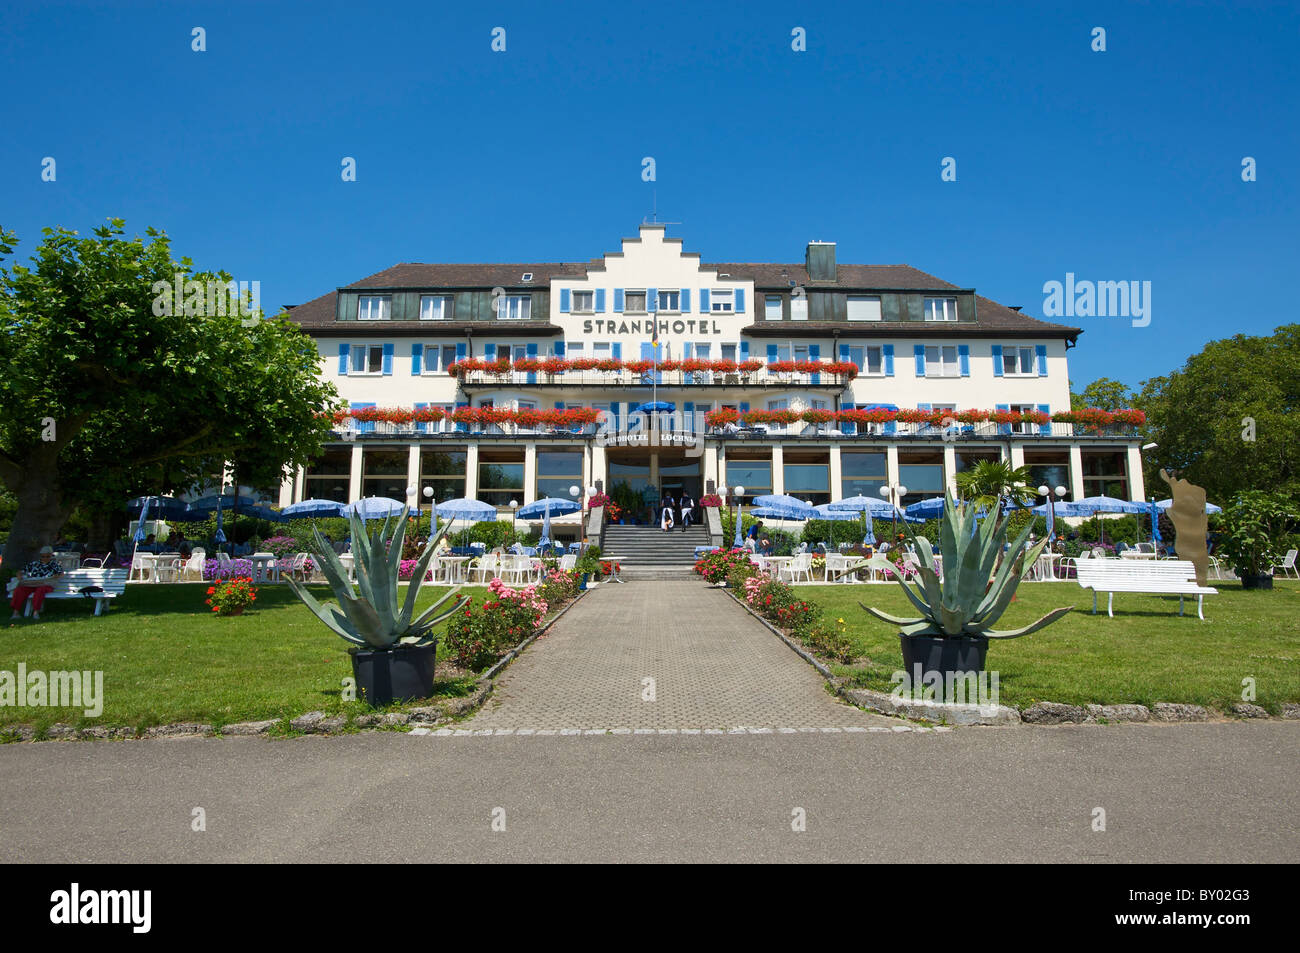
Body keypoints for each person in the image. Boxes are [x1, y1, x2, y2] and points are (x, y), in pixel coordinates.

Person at [10, 546, 64, 621]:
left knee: (40, 590)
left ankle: (36, 612)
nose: (45, 558)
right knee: (20, 590)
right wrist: (19, 574)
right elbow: (22, 571)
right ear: (40, 556)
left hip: (46, 583)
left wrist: (56, 576)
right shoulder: (34, 564)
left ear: (51, 556)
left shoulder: (55, 565)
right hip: (32, 583)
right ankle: (15, 612)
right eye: (43, 556)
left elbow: (61, 574)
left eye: (47, 556)